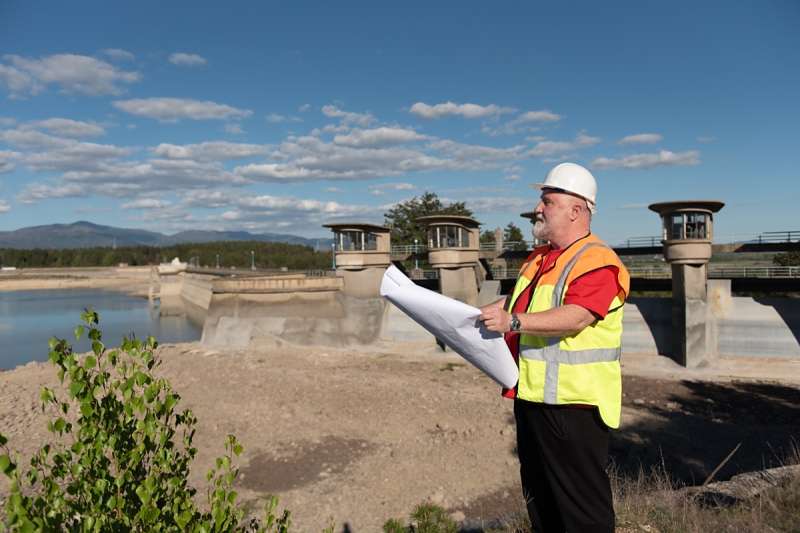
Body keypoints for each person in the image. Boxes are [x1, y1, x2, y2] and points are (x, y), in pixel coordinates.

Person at [479, 162, 630, 533]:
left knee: (581, 509)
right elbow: (519, 302)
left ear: (576, 211)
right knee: (541, 499)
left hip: (574, 407)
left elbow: (578, 315)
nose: (538, 208)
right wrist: (480, 315)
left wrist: (513, 322)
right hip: (533, 399)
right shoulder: (539, 258)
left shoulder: (597, 261)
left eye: (547, 201)